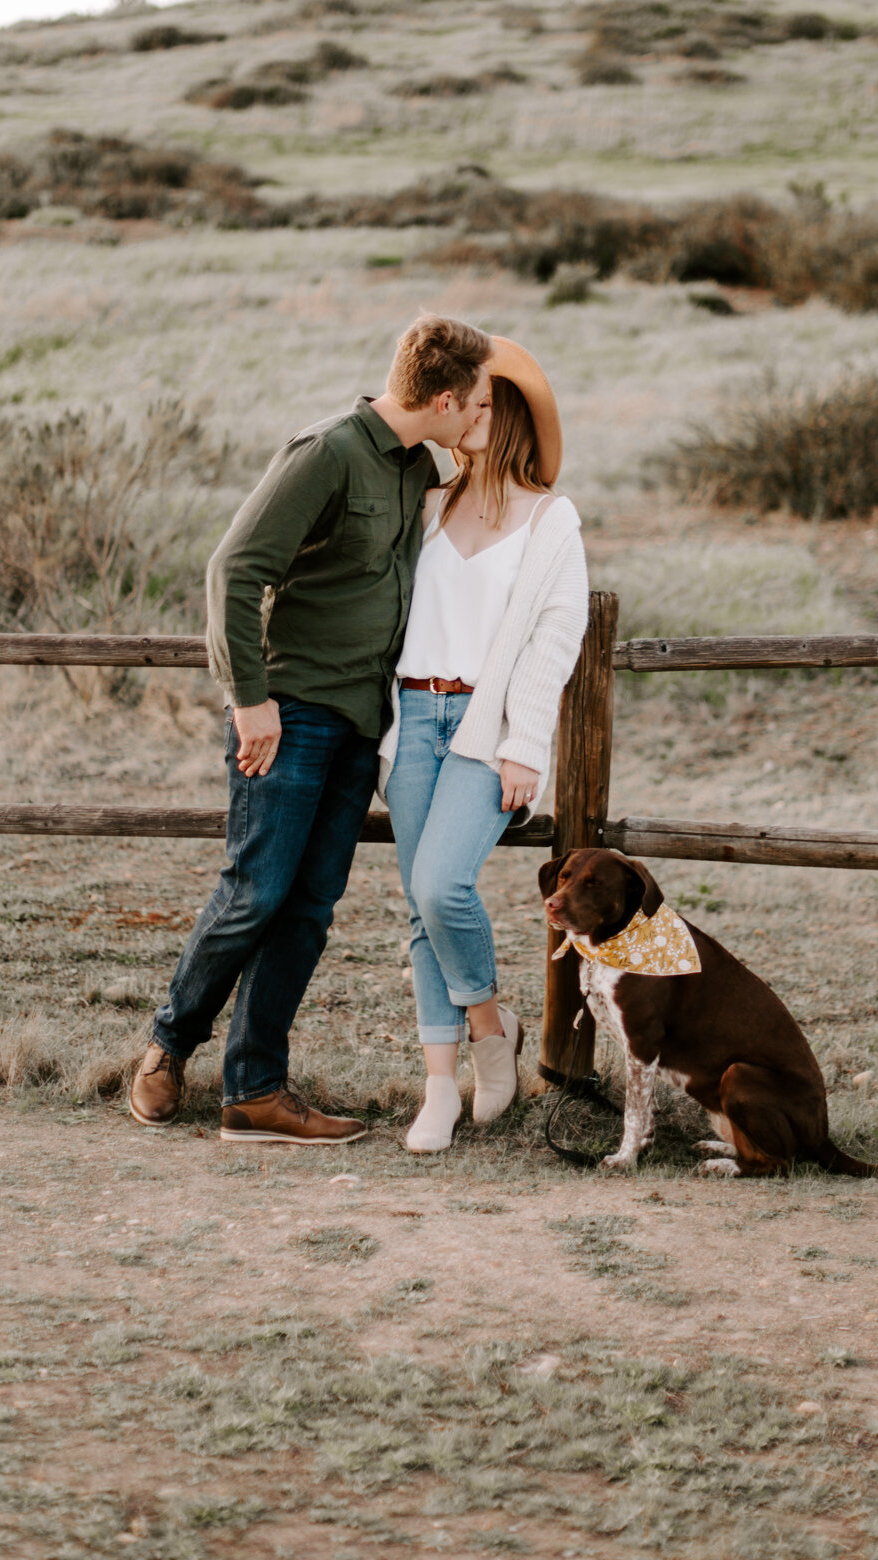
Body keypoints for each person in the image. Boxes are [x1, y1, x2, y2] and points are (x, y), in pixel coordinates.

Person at [129, 313, 494, 1144]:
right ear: (441, 397)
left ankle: (255, 1093)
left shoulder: (417, 468)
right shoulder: (328, 450)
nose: (478, 416)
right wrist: (246, 698)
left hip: (362, 724)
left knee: (307, 909)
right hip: (288, 712)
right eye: (473, 403)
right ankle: (165, 1047)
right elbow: (236, 565)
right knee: (254, 890)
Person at [379, 339, 589, 1152]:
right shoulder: (426, 505)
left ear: (505, 416)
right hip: (410, 719)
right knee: (418, 906)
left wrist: (524, 745)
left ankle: (489, 1029)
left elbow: (555, 636)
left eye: (479, 398)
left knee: (440, 885)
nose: (462, 407)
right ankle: (441, 1082)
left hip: (483, 729)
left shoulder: (550, 518)